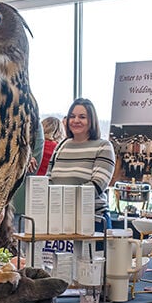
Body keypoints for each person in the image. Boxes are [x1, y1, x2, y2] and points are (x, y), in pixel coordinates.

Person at [47, 98, 116, 230]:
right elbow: (48, 179)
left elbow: (96, 186)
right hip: (59, 220)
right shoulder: (61, 145)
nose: (76, 120)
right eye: (72, 116)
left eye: (82, 117)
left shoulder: (104, 147)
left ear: (92, 120)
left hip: (93, 221)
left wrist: (62, 200)